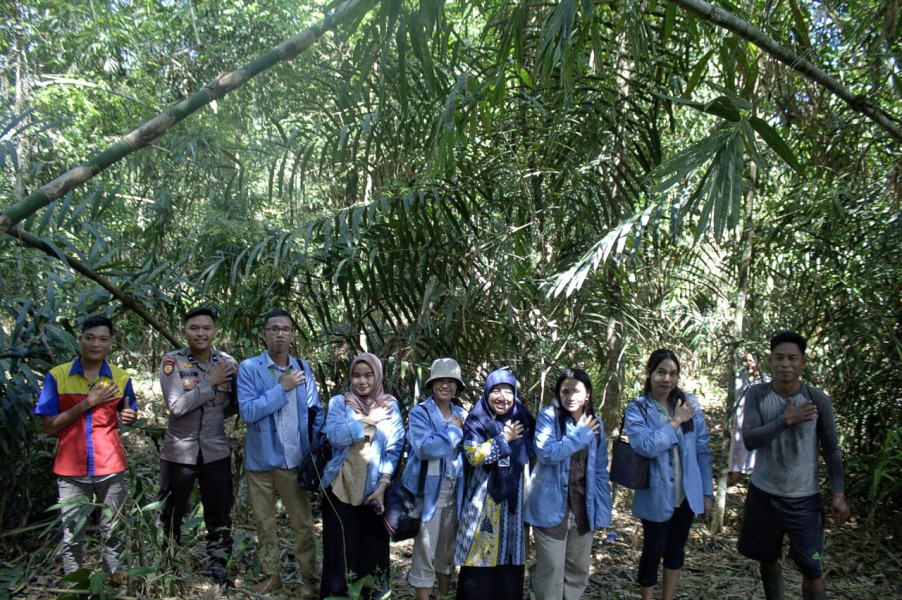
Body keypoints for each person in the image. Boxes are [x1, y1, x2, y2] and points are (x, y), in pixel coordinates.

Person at [738, 331, 850, 600]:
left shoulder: (817, 400)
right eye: (779, 358)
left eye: (792, 358)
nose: (785, 364)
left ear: (803, 363)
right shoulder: (757, 394)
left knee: (812, 567)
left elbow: (831, 449)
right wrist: (785, 420)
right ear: (771, 361)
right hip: (764, 494)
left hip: (804, 499)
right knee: (767, 558)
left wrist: (838, 493)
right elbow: (750, 439)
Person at [34, 315, 138, 586]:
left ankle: (114, 584)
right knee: (72, 534)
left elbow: (129, 410)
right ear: (80, 339)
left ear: (111, 342)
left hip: (110, 466)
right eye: (89, 338)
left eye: (103, 339)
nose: (95, 344)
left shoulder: (120, 377)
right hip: (71, 470)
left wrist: (130, 416)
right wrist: (86, 403)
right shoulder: (57, 376)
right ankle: (74, 587)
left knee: (112, 531)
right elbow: (48, 427)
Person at [237, 309, 322, 596]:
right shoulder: (250, 368)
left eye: (286, 329)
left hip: (294, 458)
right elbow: (248, 412)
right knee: (265, 523)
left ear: (293, 335)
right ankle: (272, 576)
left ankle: (309, 580)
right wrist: (281, 388)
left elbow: (314, 410)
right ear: (264, 335)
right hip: (260, 459)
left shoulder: (302, 368)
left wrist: (315, 449)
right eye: (274, 329)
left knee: (303, 524)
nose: (280, 334)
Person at [157, 306, 237, 587]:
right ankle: (167, 566)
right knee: (170, 513)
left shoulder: (227, 362)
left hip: (216, 451)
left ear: (215, 332)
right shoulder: (173, 361)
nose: (200, 333)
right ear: (184, 331)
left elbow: (233, 404)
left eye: (206, 328)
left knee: (219, 513)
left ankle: (219, 568)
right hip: (179, 452)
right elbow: (177, 406)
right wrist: (209, 382)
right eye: (194, 328)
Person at [625, 349, 713, 600]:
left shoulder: (689, 403)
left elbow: (702, 450)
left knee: (676, 549)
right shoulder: (637, 409)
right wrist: (675, 422)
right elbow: (645, 446)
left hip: (686, 492)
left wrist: (707, 492)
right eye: (661, 372)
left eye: (673, 374)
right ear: (649, 373)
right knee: (653, 550)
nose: (667, 379)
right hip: (655, 492)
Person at [319, 352, 405, 600]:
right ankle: (336, 596)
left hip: (375, 487)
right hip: (341, 485)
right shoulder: (340, 403)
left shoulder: (389, 405)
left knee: (373, 548)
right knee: (339, 548)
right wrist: (369, 420)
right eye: (356, 376)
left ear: (378, 377)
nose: (362, 381)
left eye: (368, 375)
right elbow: (334, 436)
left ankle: (371, 595)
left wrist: (383, 485)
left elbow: (395, 447)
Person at [525, 367, 612, 600]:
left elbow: (600, 471)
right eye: (565, 391)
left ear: (587, 394)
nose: (570, 397)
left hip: (583, 507)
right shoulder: (548, 417)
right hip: (550, 506)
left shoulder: (596, 424)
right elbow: (546, 453)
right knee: (551, 569)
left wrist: (603, 511)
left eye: (576, 391)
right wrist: (581, 435)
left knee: (577, 570)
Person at [454, 369, 535, 600]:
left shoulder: (524, 418)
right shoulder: (477, 419)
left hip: (515, 505)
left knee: (510, 565)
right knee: (480, 563)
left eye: (508, 392)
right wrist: (503, 439)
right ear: (487, 392)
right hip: (483, 502)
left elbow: (533, 457)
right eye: (496, 391)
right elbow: (473, 455)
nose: (502, 397)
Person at [402, 358, 468, 600]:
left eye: (451, 381)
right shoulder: (420, 413)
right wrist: (454, 430)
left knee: (447, 547)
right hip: (429, 491)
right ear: (431, 384)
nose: (445, 385)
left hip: (455, 488)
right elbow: (426, 448)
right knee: (425, 546)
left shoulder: (461, 413)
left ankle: (442, 594)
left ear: (457, 386)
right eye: (440, 380)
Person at [728, 352, 768, 485]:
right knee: (737, 444)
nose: (748, 364)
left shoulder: (764, 380)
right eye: (746, 360)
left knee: (756, 445)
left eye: (751, 360)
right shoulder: (738, 379)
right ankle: (736, 475)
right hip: (740, 417)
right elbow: (732, 399)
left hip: (757, 418)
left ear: (758, 362)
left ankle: (754, 476)